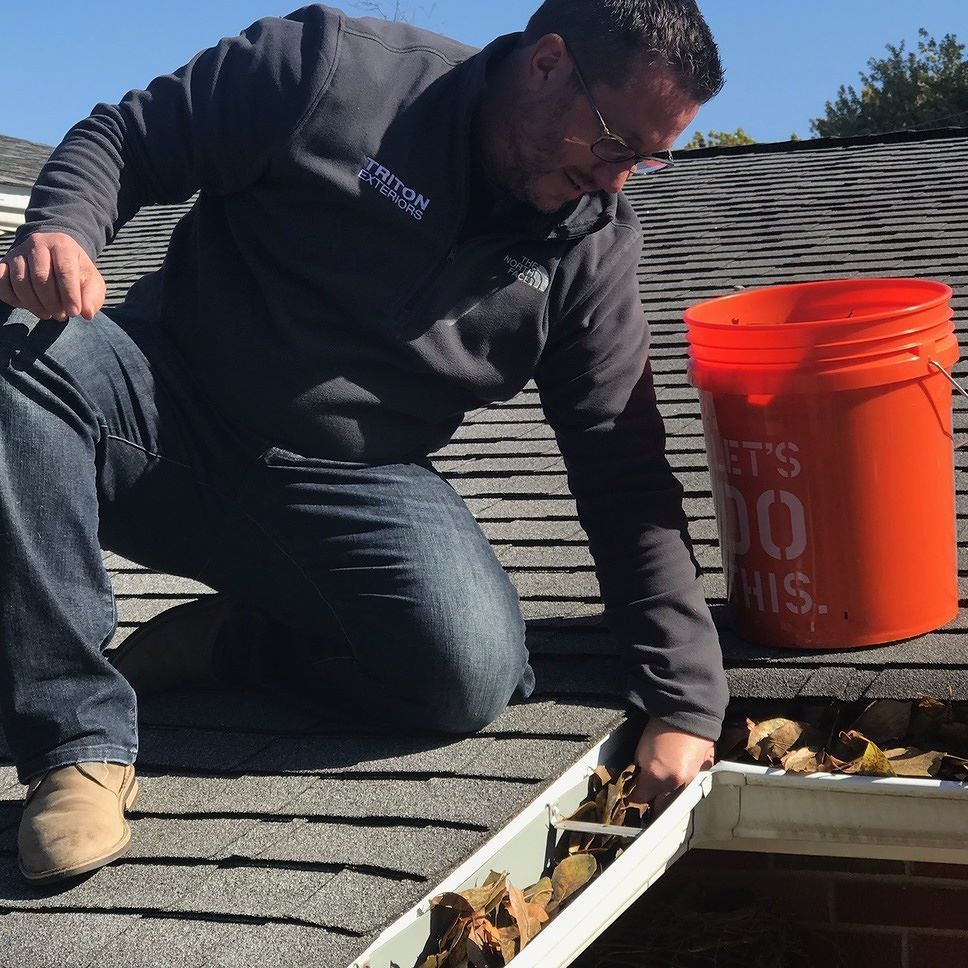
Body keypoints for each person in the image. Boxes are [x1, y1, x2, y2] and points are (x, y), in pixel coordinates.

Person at [0, 0, 728, 885]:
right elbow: (129, 136)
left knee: (470, 671)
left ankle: (235, 641)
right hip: (162, 409)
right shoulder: (332, 69)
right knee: (20, 351)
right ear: (545, 65)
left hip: (350, 479)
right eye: (615, 141)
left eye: (646, 158)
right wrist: (62, 229)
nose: (619, 179)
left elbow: (623, 469)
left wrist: (685, 701)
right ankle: (74, 741)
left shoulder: (591, 247)